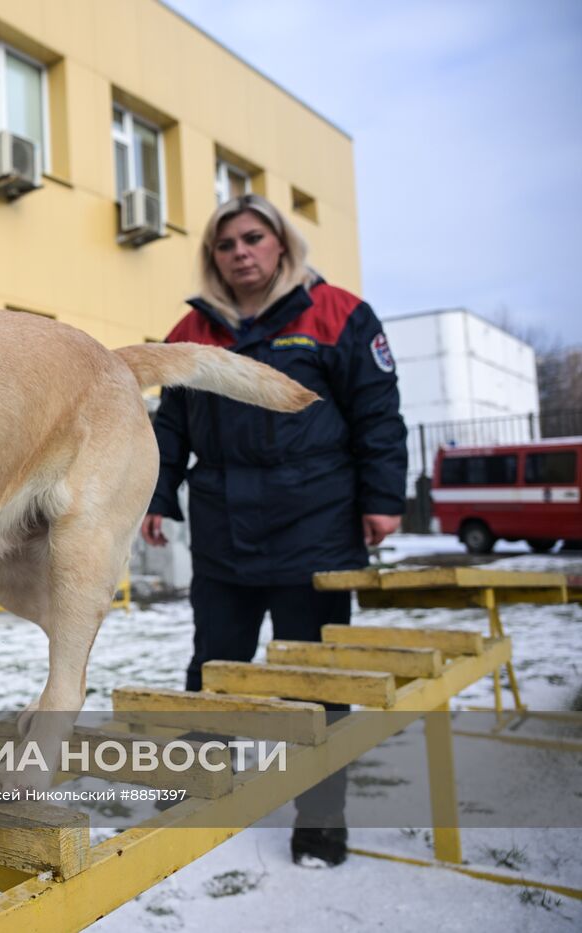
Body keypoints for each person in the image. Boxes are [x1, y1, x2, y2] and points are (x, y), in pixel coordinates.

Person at [141, 194, 407, 867]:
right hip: (224, 533)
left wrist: (382, 497)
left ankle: (320, 818)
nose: (241, 253)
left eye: (253, 239)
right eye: (226, 245)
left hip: (315, 530)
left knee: (314, 681)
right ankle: (202, 792)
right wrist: (156, 492)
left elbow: (377, 413)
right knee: (215, 670)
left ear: (281, 244)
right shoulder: (189, 333)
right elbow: (168, 424)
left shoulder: (339, 313)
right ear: (214, 258)